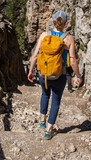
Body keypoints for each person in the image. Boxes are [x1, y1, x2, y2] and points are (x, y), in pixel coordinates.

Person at [27, 10, 83, 140]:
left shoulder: (44, 35)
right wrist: (78, 75)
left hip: (43, 74)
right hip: (60, 75)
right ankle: (48, 130)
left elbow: (35, 55)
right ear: (66, 23)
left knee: (45, 94)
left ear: (53, 21)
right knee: (56, 101)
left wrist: (31, 71)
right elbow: (73, 60)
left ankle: (42, 120)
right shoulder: (68, 39)